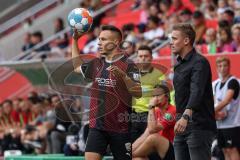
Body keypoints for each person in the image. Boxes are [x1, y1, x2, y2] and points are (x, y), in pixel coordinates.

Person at [72, 25, 142, 160]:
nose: (99, 43)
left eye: (103, 39)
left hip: (121, 128)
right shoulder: (96, 63)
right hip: (97, 127)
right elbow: (76, 67)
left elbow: (138, 93)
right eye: (99, 39)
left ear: (116, 42)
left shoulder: (129, 65)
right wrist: (74, 40)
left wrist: (124, 77)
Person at [169, 23, 216, 160]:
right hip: (181, 125)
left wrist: (185, 116)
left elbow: (197, 91)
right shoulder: (178, 65)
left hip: (198, 126)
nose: (171, 42)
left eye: (174, 39)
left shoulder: (199, 62)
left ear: (186, 40)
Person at [132, 84, 176, 160]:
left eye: (158, 95)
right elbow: (146, 133)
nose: (155, 98)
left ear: (167, 96)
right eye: (153, 96)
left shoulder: (172, 110)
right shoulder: (155, 111)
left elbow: (153, 129)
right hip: (158, 151)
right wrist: (130, 150)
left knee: (154, 138)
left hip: (172, 150)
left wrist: (151, 107)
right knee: (137, 159)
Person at [131, 45, 165, 142]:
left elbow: (164, 95)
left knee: (148, 148)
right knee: (132, 149)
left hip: (150, 115)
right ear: (137, 58)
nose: (143, 58)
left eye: (146, 56)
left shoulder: (159, 74)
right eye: (140, 56)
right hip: (133, 116)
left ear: (151, 58)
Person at [213, 57, 240, 160]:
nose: (223, 68)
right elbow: (216, 103)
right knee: (224, 150)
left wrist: (212, 111)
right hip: (220, 125)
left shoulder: (233, 82)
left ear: (229, 67)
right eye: (220, 66)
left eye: (225, 65)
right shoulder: (217, 85)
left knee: (232, 150)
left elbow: (226, 101)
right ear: (217, 68)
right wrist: (215, 114)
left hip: (233, 124)